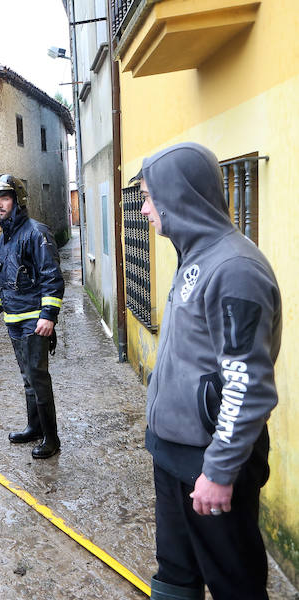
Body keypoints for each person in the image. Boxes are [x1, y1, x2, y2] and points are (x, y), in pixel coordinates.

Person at [137, 143, 281, 600]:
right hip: (174, 456)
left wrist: (219, 472)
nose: (143, 209)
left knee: (232, 581)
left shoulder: (235, 267)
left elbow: (247, 384)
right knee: (175, 574)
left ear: (177, 196)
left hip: (211, 461)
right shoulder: (194, 258)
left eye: (147, 196)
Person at [0, 174, 64, 459]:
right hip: (14, 320)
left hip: (34, 321)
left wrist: (49, 315)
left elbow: (52, 278)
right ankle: (35, 428)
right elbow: (1, 280)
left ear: (18, 200)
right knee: (28, 377)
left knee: (38, 377)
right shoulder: (5, 238)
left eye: (4, 198)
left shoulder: (36, 233)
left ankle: (51, 439)